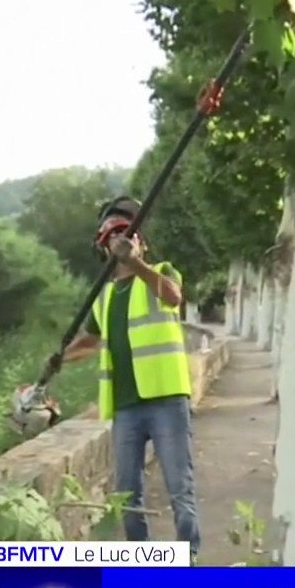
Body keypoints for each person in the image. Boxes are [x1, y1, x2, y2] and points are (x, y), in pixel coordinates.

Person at [59, 196, 201, 561]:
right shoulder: (103, 297)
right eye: (112, 238)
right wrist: (60, 356)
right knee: (126, 494)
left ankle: (189, 560)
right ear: (103, 248)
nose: (120, 242)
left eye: (128, 234)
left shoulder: (162, 273)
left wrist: (135, 263)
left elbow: (172, 296)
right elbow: (90, 340)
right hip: (125, 407)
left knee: (179, 488)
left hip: (167, 399)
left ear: (141, 242)